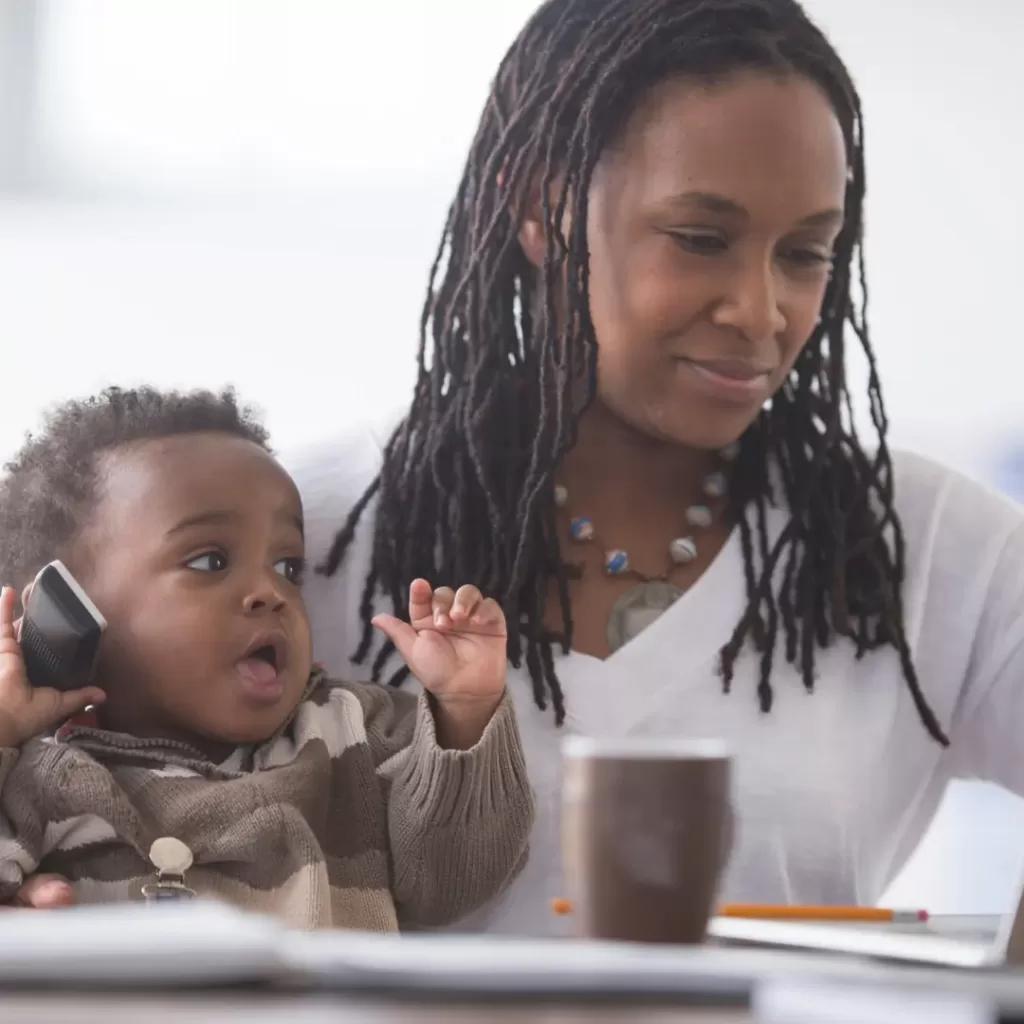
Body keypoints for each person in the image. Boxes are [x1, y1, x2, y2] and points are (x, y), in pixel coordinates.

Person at [12, 0, 1024, 933]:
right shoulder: (294, 537)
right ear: (541, 209)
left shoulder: (927, 550)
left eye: (806, 254)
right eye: (699, 238)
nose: (761, 312)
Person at [0, 386, 532, 928]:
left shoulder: (352, 733)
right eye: (210, 561)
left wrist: (464, 712)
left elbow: (452, 883)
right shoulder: (40, 773)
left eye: (287, 567)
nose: (269, 591)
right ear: (63, 611)